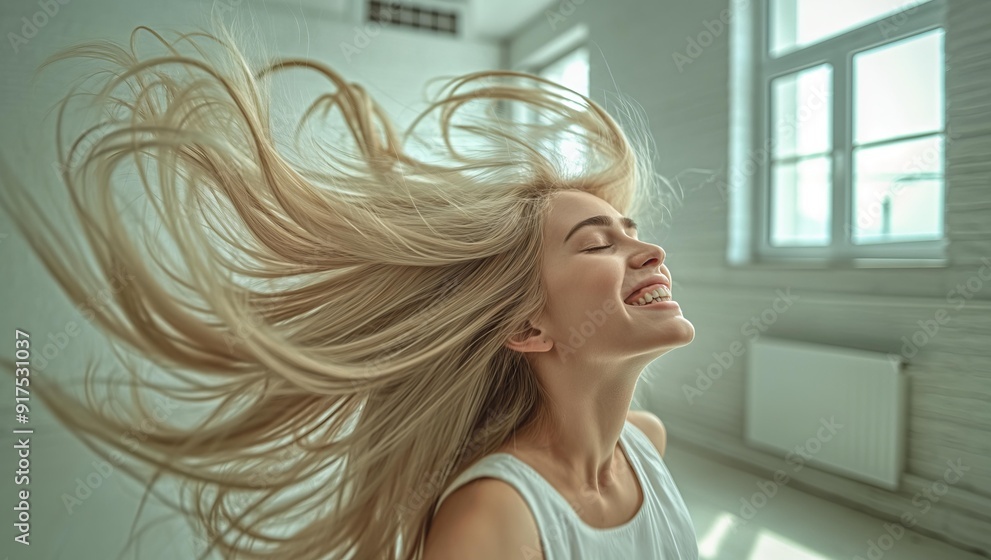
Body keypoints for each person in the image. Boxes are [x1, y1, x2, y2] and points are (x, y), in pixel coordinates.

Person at [0, 18, 697, 560]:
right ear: (528, 327)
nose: (651, 251)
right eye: (600, 243)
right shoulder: (494, 518)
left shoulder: (647, 445)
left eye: (633, 232)